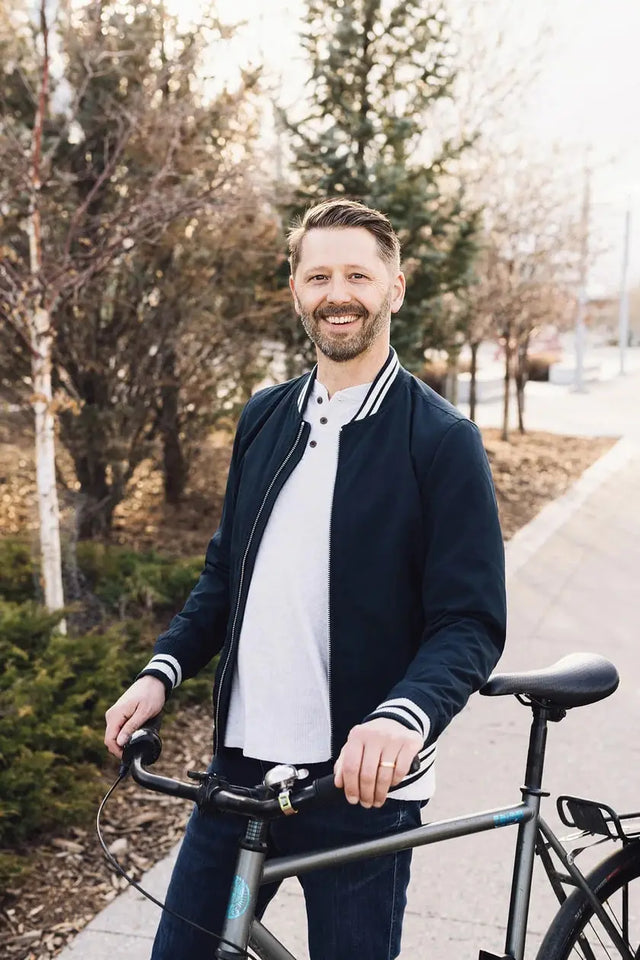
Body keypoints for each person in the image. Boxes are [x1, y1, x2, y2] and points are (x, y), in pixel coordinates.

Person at [104, 198, 506, 960]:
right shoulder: (265, 417)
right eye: (318, 275)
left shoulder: (441, 441)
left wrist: (401, 718)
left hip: (360, 786)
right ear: (296, 289)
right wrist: (164, 671)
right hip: (242, 773)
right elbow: (227, 572)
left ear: (395, 286)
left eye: (357, 273)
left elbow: (469, 620)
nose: (337, 293)